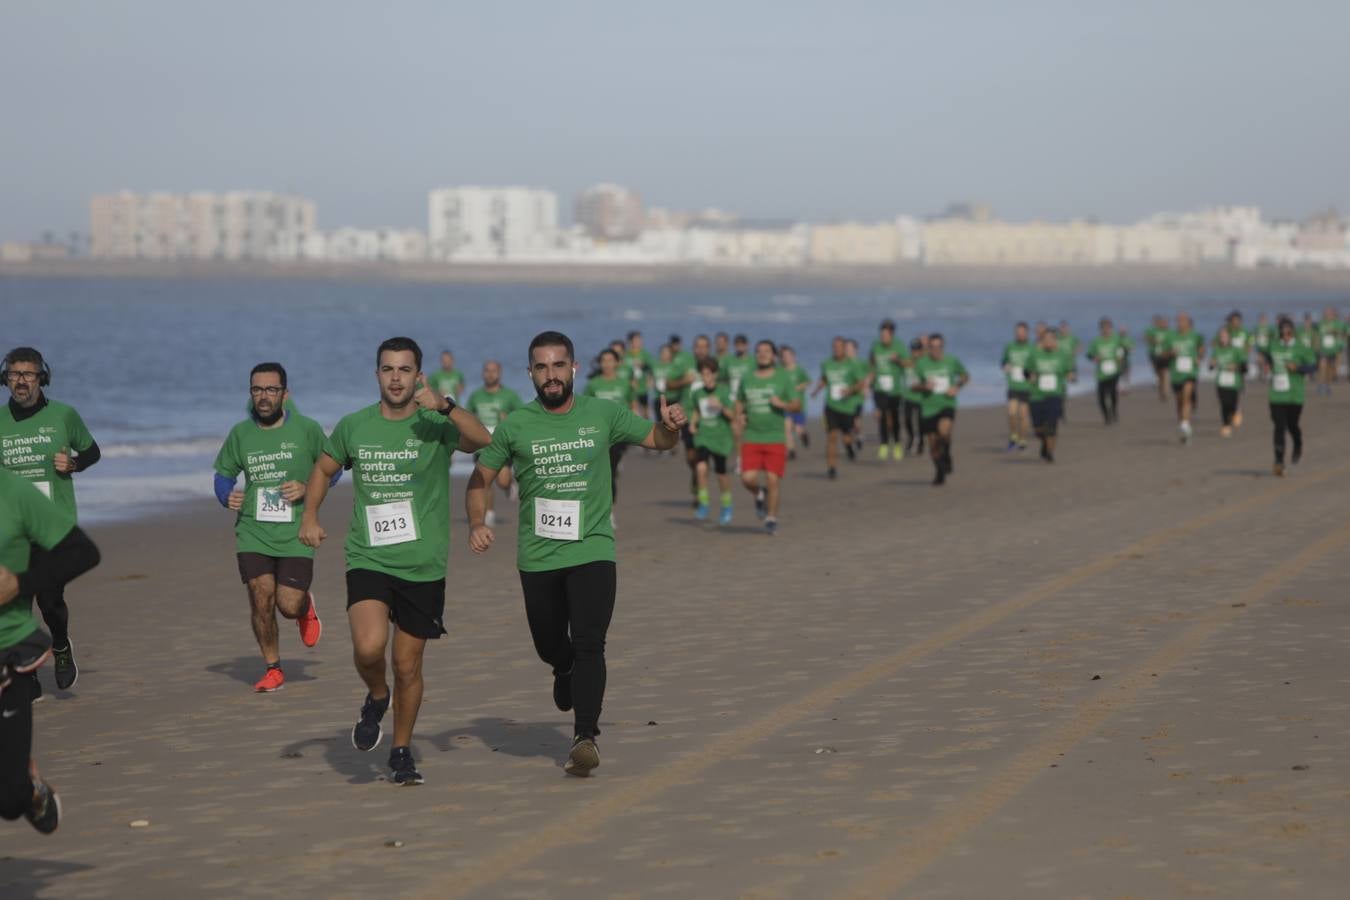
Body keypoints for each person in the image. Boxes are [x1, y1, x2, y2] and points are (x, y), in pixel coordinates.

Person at [467, 331, 687, 777]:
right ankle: (561, 668)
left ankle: (585, 736)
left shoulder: (602, 413)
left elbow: (659, 442)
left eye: (559, 366)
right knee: (551, 645)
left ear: (574, 368)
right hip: (539, 555)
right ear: (530, 373)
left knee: (590, 642)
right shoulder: (515, 425)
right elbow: (480, 477)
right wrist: (476, 522)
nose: (551, 375)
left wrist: (669, 427)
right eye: (542, 368)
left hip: (592, 548)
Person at [299, 337, 491, 786]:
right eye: (388, 369)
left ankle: (401, 750)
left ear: (418, 376)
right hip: (368, 555)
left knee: (408, 665)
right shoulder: (354, 426)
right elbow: (325, 469)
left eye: (405, 370)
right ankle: (376, 693)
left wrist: (444, 406)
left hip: (423, 562)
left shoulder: (435, 424)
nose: (396, 378)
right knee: (368, 649)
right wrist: (309, 515)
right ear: (377, 375)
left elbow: (483, 439)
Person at [213, 363, 329, 692]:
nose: (264, 396)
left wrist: (308, 486)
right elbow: (223, 473)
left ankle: (305, 607)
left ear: (285, 394)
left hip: (295, 530)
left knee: (287, 604)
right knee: (260, 596)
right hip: (253, 530)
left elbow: (331, 469)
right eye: (257, 390)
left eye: (271, 390)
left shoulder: (307, 429)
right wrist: (225, 495)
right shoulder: (241, 433)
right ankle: (273, 667)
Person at [1, 469, 101, 835]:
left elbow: (82, 552)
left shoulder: (13, 492)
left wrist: (19, 583)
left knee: (10, 801)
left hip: (7, 650)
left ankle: (31, 789)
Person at [0, 347, 100, 693]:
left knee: (50, 600)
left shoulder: (63, 416)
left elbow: (92, 451)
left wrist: (73, 464)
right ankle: (25, 678)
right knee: (15, 605)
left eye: (29, 374)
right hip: (12, 531)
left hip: (53, 527)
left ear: (42, 377)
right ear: (5, 378)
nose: (21, 381)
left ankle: (60, 644)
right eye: (15, 374)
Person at [735, 340, 802, 535]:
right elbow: (740, 400)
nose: (762, 354)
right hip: (752, 437)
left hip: (775, 437)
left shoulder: (783, 377)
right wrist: (739, 415)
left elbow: (797, 404)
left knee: (773, 480)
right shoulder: (747, 378)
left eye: (766, 351)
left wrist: (783, 405)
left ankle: (771, 517)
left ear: (774, 356)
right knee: (747, 479)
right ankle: (759, 493)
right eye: (759, 351)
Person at [465, 361, 524, 528]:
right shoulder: (476, 396)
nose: (490, 374)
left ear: (500, 373)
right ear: (483, 373)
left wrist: (509, 420)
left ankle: (510, 485)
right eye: (487, 371)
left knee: (502, 481)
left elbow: (522, 416)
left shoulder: (510, 395)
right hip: (482, 445)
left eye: (493, 371)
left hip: (502, 445)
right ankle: (489, 512)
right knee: (484, 480)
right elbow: (467, 417)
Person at [583, 348, 636, 522]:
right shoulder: (593, 384)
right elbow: (584, 408)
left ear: (617, 363)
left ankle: (609, 510)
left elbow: (632, 406)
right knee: (598, 472)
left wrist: (633, 427)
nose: (606, 364)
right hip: (597, 435)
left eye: (610, 360)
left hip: (618, 435)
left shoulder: (624, 384)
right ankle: (600, 508)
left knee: (610, 472)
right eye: (603, 360)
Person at [1260, 316, 1317, 476]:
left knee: (1292, 425)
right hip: (1276, 395)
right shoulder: (1274, 345)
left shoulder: (1301, 347)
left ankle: (1298, 443)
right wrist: (1266, 365)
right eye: (1283, 332)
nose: (1285, 335)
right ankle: (1279, 462)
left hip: (1295, 395)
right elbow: (1266, 355)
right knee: (1279, 427)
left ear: (1293, 332)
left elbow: (1313, 366)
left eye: (1289, 332)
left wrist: (1298, 367)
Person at [913, 334, 969, 486]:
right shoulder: (921, 364)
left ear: (943, 347)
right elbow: (912, 385)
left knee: (944, 431)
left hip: (946, 403)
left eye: (939, 347)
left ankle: (947, 455)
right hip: (928, 408)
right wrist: (924, 386)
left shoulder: (951, 361)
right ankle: (939, 471)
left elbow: (965, 375)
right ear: (928, 348)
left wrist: (957, 386)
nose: (936, 350)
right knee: (933, 445)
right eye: (933, 347)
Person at [688, 358, 735, 524]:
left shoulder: (723, 391)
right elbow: (695, 411)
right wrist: (693, 423)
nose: (705, 377)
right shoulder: (697, 393)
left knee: (721, 474)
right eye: (703, 374)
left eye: (708, 374)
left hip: (720, 438)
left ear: (715, 374)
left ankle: (727, 506)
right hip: (703, 437)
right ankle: (704, 504)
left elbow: (732, 415)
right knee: (700, 468)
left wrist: (721, 407)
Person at [813, 336, 866, 479]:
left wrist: (849, 390)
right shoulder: (826, 363)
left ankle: (851, 446)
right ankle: (831, 468)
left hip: (847, 406)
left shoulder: (852, 364)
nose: (836, 349)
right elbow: (824, 379)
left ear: (844, 348)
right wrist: (816, 391)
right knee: (831, 437)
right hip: (831, 405)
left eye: (839, 347)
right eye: (834, 347)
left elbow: (861, 382)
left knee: (846, 438)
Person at [1027, 328, 1075, 462]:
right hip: (1036, 395)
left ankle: (1050, 453)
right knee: (1037, 429)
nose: (1048, 341)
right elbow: (1027, 370)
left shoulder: (1062, 355)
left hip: (1055, 394)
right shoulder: (1034, 354)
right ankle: (1044, 444)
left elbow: (1070, 370)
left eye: (1051, 339)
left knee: (1051, 425)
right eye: (1045, 339)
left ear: (1055, 341)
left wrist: (1071, 376)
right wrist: (1029, 376)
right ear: (1041, 341)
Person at [869, 320, 909, 460]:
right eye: (882, 334)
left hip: (895, 389)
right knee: (881, 415)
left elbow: (908, 363)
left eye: (886, 335)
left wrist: (897, 360)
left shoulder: (899, 346)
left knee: (894, 417)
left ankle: (897, 443)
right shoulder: (875, 345)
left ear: (892, 334)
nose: (883, 337)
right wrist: (869, 381)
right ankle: (884, 444)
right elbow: (871, 362)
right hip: (879, 387)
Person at [1163, 313, 1204, 443]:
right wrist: (1170, 353)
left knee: (1187, 396)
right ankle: (1183, 424)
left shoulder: (1195, 335)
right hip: (1176, 373)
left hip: (1190, 372)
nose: (1180, 323)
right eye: (1178, 321)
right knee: (1179, 401)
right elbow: (1163, 354)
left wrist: (1199, 356)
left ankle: (1186, 423)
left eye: (1183, 320)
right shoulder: (1171, 336)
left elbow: (1201, 348)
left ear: (1188, 322)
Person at [1000, 322, 1034, 450]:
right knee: (1012, 412)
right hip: (1013, 385)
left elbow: (1036, 364)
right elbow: (1003, 361)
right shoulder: (1009, 346)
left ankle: (1023, 439)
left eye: (1022, 332)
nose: (1020, 334)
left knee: (1023, 415)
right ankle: (1014, 434)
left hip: (1027, 387)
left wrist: (1033, 375)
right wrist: (1005, 366)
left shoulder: (1032, 348)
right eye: (1017, 332)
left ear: (1027, 333)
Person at [1086, 317, 1126, 425]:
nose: (1106, 330)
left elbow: (1123, 350)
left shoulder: (1116, 339)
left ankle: (1113, 410)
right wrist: (1094, 357)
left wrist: (1120, 359)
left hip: (1114, 371)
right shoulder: (1096, 341)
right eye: (1103, 328)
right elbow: (1089, 354)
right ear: (1100, 329)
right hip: (1101, 373)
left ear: (1111, 328)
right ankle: (1106, 416)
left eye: (1108, 327)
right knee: (1101, 396)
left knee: (1113, 393)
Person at [1209, 328, 1245, 438]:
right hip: (1221, 381)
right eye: (1221, 337)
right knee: (1224, 404)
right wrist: (1212, 364)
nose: (1223, 339)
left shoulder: (1236, 350)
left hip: (1234, 381)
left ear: (1229, 338)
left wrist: (1236, 366)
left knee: (1232, 403)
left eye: (1225, 336)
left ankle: (1235, 411)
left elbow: (1245, 367)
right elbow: (1210, 367)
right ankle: (1226, 426)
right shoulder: (1216, 350)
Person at [779, 345, 811, 459]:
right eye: (784, 356)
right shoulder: (780, 370)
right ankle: (791, 451)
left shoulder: (799, 370)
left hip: (798, 405)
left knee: (798, 429)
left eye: (788, 356)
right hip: (786, 405)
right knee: (786, 427)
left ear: (793, 357)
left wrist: (799, 387)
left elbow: (808, 382)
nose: (786, 358)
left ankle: (803, 434)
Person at [900, 336, 927, 455]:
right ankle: (911, 438)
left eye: (917, 349)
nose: (914, 352)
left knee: (921, 422)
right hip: (908, 396)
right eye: (913, 349)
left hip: (921, 397)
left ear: (921, 350)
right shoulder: (907, 361)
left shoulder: (925, 362)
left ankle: (921, 441)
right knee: (906, 420)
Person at [625, 331, 655, 420]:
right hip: (630, 388)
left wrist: (650, 378)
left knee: (646, 411)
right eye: (636, 340)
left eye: (640, 340)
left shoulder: (645, 354)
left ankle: (648, 429)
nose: (639, 342)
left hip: (642, 388)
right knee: (633, 411)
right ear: (630, 342)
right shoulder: (626, 355)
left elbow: (652, 367)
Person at [1315, 307, 1344, 396]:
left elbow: (1342, 334)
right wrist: (1316, 346)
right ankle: (1321, 385)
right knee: (1322, 366)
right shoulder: (1320, 324)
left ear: (1334, 314)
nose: (1328, 315)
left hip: (1334, 350)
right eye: (1326, 313)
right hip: (1323, 350)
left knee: (1331, 370)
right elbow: (1317, 335)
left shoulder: (1338, 323)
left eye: (1330, 313)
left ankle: (1327, 385)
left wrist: (1334, 331)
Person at [1145, 315, 1171, 401]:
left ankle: (1165, 391)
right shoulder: (1153, 331)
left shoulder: (1170, 332)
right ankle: (1161, 390)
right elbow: (1146, 338)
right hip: (1154, 355)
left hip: (1166, 355)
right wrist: (1154, 340)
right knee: (1159, 374)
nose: (1164, 324)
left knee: (1165, 372)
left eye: (1165, 323)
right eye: (1162, 322)